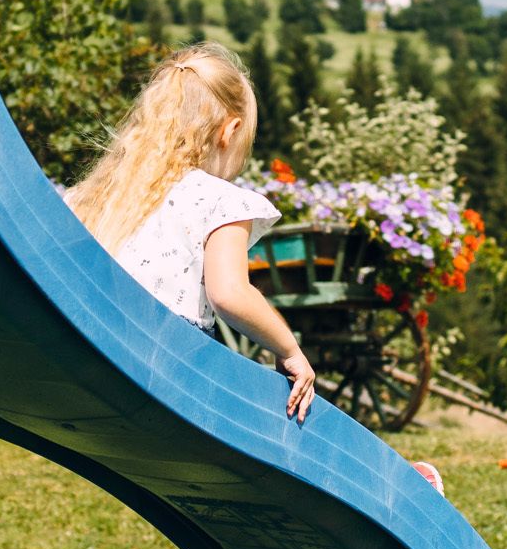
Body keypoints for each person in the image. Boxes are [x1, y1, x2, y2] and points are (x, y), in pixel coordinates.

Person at [64, 44, 318, 420]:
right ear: (228, 131)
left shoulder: (99, 196)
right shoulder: (220, 200)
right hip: (173, 367)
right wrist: (289, 349)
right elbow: (230, 294)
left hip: (94, 350)